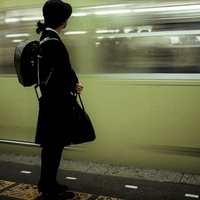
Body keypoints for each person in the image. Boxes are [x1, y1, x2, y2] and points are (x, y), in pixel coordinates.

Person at [35, 0, 83, 199]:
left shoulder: (45, 38)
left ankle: (48, 182)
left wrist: (72, 83)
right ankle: (48, 188)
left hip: (50, 101)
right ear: (63, 20)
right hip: (56, 104)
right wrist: (73, 84)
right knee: (54, 146)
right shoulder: (53, 42)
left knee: (52, 146)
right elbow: (63, 70)